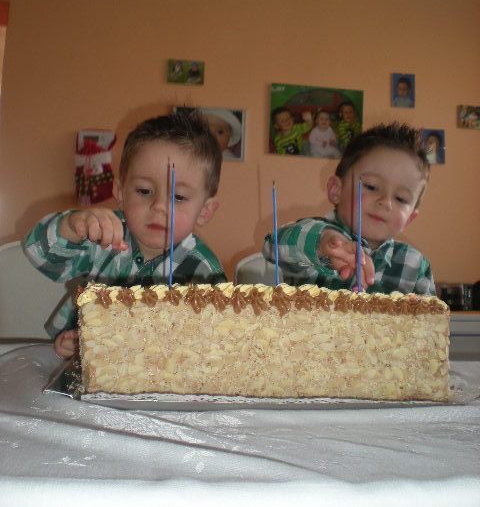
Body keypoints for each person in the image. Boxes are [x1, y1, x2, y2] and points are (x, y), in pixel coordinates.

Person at [24, 109, 226, 358]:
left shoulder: (205, 272)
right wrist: (72, 226)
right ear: (120, 193)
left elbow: (212, 347)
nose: (159, 206)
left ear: (205, 211)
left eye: (179, 196)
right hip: (83, 363)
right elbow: (39, 255)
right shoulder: (103, 236)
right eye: (144, 191)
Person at [264, 122, 435, 295]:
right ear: (336, 190)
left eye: (400, 198)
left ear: (409, 219)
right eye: (371, 186)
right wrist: (322, 244)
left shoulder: (416, 267)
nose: (386, 202)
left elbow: (432, 313)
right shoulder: (315, 240)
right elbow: (272, 247)